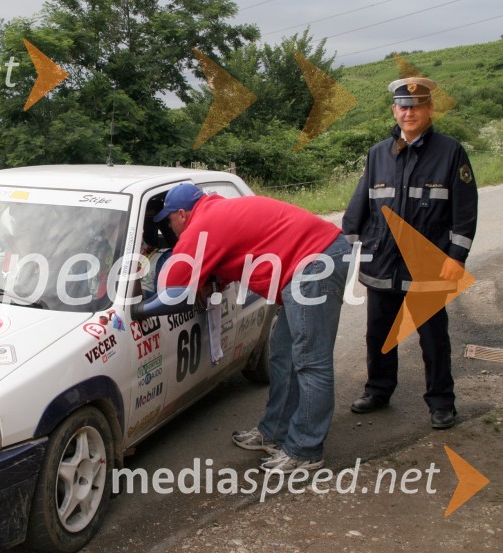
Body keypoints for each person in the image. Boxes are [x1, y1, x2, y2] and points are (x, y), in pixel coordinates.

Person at [132, 183, 351, 473]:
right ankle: (273, 433)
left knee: (311, 363)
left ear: (182, 214)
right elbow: (230, 258)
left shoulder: (202, 226)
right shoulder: (216, 211)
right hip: (315, 258)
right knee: (283, 355)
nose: (170, 231)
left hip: (315, 262)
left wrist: (138, 310)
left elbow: (176, 292)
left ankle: (306, 450)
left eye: (169, 222)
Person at [342, 77, 478, 429]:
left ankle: (441, 403)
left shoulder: (451, 152)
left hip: (429, 263)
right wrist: (345, 247)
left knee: (433, 337)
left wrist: (456, 256)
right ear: (394, 110)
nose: (409, 112)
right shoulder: (377, 154)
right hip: (382, 258)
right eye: (403, 106)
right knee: (379, 333)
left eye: (416, 106)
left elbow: (465, 210)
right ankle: (378, 390)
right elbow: (360, 203)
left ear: (430, 110)